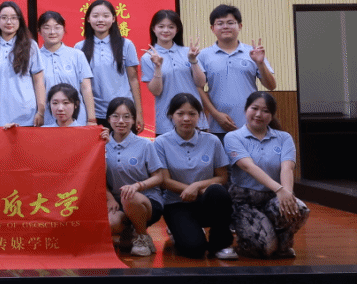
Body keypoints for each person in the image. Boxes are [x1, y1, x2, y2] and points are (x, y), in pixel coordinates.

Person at [224, 92, 309, 258]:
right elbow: (248, 166)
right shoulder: (233, 137)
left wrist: (287, 194)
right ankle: (259, 240)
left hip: (272, 197)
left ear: (271, 115)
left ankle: (283, 244)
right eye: (254, 108)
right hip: (245, 202)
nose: (258, 114)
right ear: (246, 110)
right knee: (266, 248)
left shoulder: (284, 138)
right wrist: (279, 189)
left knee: (298, 209)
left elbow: (287, 168)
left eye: (265, 111)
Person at [152, 93, 233, 259]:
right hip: (177, 203)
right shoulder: (161, 143)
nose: (186, 118)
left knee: (219, 192)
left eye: (192, 114)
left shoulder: (212, 141)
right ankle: (180, 230)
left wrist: (196, 187)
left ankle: (221, 244)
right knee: (194, 249)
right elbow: (164, 181)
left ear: (200, 116)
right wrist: (188, 190)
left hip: (205, 200)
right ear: (171, 115)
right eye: (180, 114)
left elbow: (222, 177)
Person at [103, 96, 167, 257]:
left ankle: (142, 237)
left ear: (133, 120)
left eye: (126, 117)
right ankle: (129, 232)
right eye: (116, 116)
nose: (121, 121)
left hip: (146, 201)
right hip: (117, 202)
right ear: (108, 119)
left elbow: (159, 177)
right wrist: (109, 197)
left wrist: (137, 186)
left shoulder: (145, 144)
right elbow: (97, 178)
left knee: (129, 196)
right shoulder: (102, 144)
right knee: (111, 223)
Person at [200, 4, 276, 137]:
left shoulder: (253, 52)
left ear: (240, 26)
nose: (225, 27)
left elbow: (271, 86)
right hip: (218, 126)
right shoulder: (203, 55)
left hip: (251, 125)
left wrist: (261, 63)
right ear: (212, 28)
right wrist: (215, 114)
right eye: (220, 23)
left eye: (230, 23)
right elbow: (198, 88)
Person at [141, 10, 207, 135]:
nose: (166, 30)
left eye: (171, 27)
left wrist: (193, 60)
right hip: (166, 121)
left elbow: (201, 82)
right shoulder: (148, 57)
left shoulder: (188, 52)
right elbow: (156, 91)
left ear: (177, 30)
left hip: (194, 118)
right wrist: (158, 67)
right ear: (153, 29)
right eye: (161, 26)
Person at [78, 0, 141, 130]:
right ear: (88, 19)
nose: (100, 20)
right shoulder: (79, 48)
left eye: (106, 16)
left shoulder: (126, 45)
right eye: (95, 16)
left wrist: (139, 113)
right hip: (94, 114)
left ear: (113, 19)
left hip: (123, 113)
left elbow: (133, 79)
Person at [0, 1, 45, 126]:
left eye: (14, 18)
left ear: (20, 20)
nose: (9, 22)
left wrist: (41, 111)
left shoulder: (30, 46)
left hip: (27, 114)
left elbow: (39, 81)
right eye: (4, 17)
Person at [36, 11, 97, 125]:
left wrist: (91, 119)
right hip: (47, 119)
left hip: (77, 119)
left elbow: (86, 88)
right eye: (47, 28)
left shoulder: (77, 55)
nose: (52, 32)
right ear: (39, 31)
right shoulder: (34, 57)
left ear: (64, 30)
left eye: (57, 27)